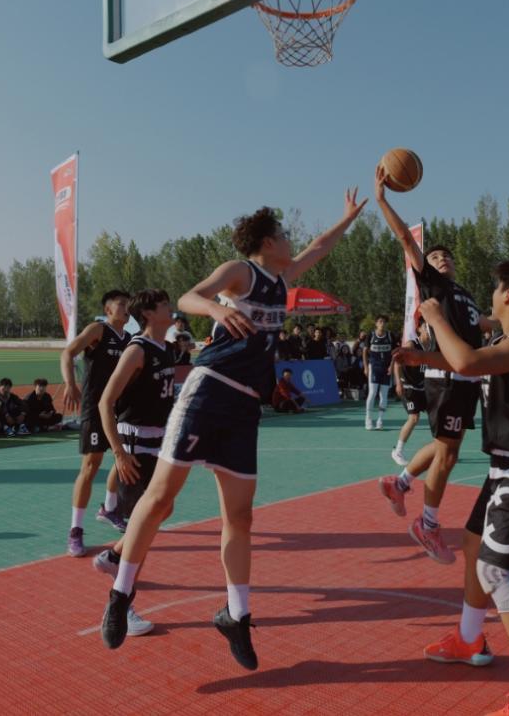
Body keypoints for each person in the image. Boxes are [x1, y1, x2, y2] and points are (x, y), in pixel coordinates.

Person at [100, 192, 366, 670]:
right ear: (267, 242)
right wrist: (218, 310)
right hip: (209, 390)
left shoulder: (283, 277)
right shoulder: (241, 271)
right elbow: (189, 297)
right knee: (159, 499)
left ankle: (236, 615)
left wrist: (348, 218)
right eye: (283, 234)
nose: (291, 240)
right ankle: (121, 595)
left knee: (240, 518)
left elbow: (320, 248)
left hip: (245, 406)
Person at [395, 257, 509, 716]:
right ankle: (468, 639)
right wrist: (423, 358)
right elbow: (467, 363)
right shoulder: (508, 343)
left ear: (508, 294)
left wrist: (435, 317)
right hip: (508, 467)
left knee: (496, 573)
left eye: (495, 288)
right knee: (474, 547)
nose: (491, 295)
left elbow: (467, 362)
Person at [374, 165, 486, 566]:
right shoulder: (433, 285)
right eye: (434, 256)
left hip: (466, 376)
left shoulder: (463, 293)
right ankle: (428, 524)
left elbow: (483, 324)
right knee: (448, 454)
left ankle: (400, 483)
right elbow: (406, 238)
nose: (442, 259)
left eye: (446, 256)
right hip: (446, 374)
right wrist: (383, 200)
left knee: (444, 446)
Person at [91, 288, 180, 639]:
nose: (171, 308)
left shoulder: (167, 348)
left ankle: (114, 556)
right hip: (135, 447)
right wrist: (118, 453)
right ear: (149, 314)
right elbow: (105, 402)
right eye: (165, 305)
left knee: (163, 511)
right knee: (144, 527)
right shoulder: (137, 350)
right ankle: (121, 607)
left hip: (159, 445)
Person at [60, 290, 134, 554]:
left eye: (128, 304)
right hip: (95, 406)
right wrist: (70, 383)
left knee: (124, 457)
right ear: (108, 310)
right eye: (121, 304)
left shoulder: (130, 340)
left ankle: (110, 508)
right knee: (91, 465)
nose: (126, 308)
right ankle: (75, 530)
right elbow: (68, 353)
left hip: (120, 408)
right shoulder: (98, 330)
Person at [391, 319, 430, 466]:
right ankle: (398, 451)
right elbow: (397, 361)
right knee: (414, 418)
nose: (429, 329)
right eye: (426, 326)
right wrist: (398, 382)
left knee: (437, 415)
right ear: (419, 329)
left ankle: (439, 449)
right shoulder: (412, 345)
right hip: (408, 386)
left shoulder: (432, 346)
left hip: (423, 387)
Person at [363, 316, 396, 430]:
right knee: (372, 393)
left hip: (386, 368)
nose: (382, 323)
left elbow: (394, 353)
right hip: (374, 367)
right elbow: (364, 351)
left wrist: (391, 366)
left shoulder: (390, 335)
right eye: (380, 321)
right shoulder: (371, 335)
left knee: (384, 395)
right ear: (376, 323)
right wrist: (366, 367)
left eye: (384, 322)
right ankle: (368, 419)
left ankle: (380, 420)